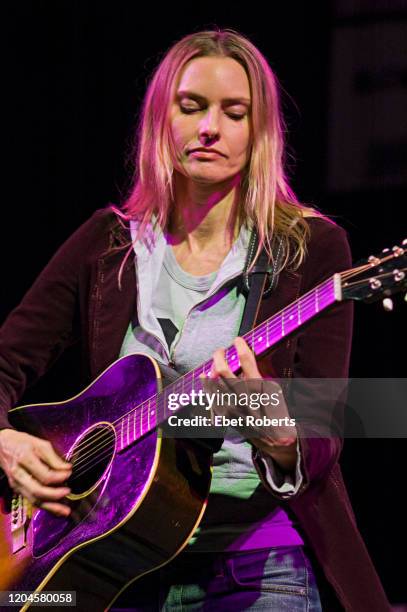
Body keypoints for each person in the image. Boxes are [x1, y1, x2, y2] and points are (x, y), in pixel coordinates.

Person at [0, 29, 391, 611]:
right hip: (112, 564)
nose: (210, 127)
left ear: (259, 133)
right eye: (192, 107)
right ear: (162, 120)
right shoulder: (106, 244)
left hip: (257, 566)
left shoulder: (310, 248)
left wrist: (274, 426)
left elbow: (324, 435)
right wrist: (6, 443)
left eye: (234, 113)